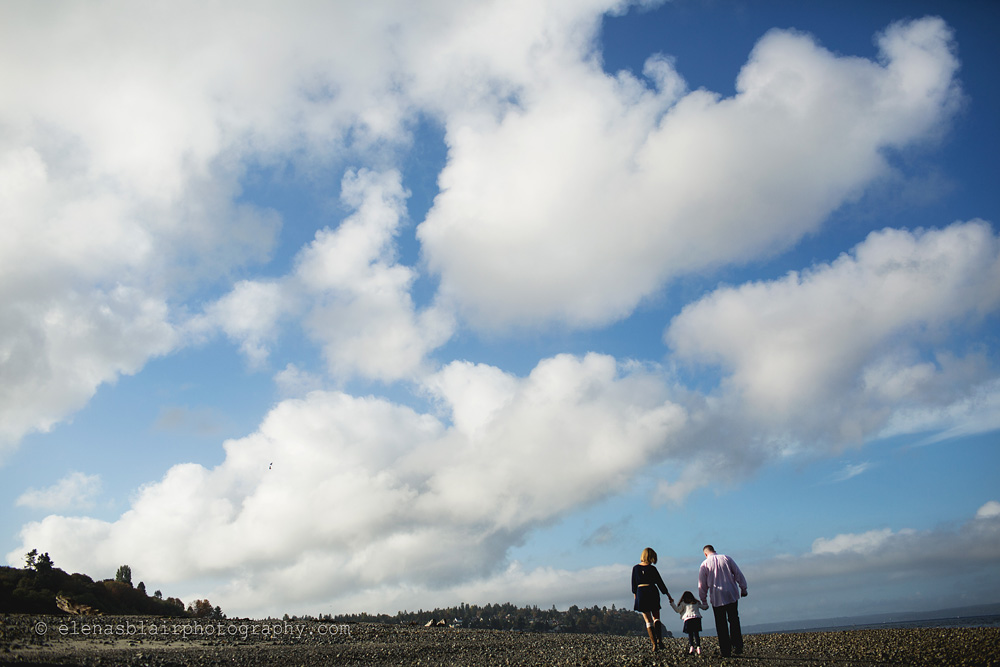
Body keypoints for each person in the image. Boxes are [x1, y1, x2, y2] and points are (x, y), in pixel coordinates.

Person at [698, 545, 748, 657]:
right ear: (714, 551)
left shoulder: (704, 564)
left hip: (717, 596)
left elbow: (702, 585)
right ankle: (737, 645)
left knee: (721, 624)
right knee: (734, 620)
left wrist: (704, 600)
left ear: (705, 554)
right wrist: (743, 588)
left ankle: (725, 650)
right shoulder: (726, 558)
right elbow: (738, 573)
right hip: (731, 593)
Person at [632, 547, 673, 651]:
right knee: (656, 617)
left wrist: (636, 598)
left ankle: (654, 644)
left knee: (648, 620)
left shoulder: (635, 568)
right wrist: (668, 594)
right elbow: (660, 583)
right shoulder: (652, 569)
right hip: (652, 591)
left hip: (641, 592)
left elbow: (633, 586)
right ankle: (660, 640)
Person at [670, 590, 709, 655]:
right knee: (696, 634)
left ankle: (692, 647)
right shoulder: (696, 602)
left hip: (688, 619)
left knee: (690, 634)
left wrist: (672, 603)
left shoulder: (683, 603)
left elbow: (677, 610)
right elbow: (704, 607)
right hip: (697, 618)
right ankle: (698, 647)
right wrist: (706, 604)